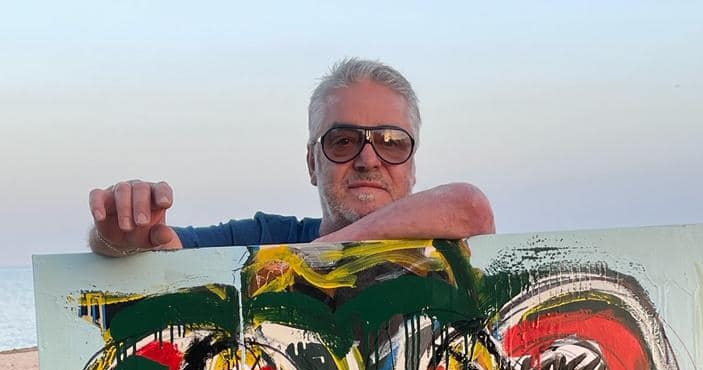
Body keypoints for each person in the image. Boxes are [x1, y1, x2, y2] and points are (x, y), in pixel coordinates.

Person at [88, 58, 495, 256]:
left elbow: (470, 208)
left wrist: (317, 257)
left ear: (412, 164)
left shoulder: (447, 243)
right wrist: (119, 235)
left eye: (391, 142)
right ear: (312, 163)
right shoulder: (261, 241)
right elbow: (158, 247)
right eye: (342, 141)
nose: (368, 159)